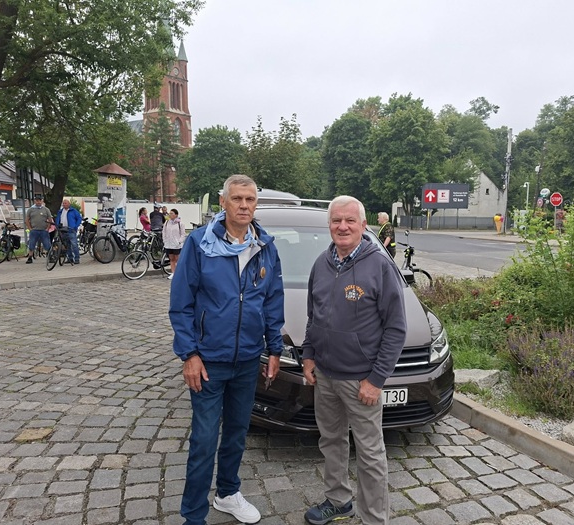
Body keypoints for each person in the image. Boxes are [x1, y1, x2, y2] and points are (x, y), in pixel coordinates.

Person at [169, 174, 285, 525]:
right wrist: (189, 354)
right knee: (204, 440)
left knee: (236, 434)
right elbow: (181, 304)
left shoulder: (264, 246)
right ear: (223, 202)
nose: (244, 205)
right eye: (237, 199)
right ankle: (193, 516)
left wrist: (275, 349)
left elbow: (272, 301)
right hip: (208, 362)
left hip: (247, 360)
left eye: (250, 199)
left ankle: (228, 493)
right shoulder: (200, 243)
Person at [302, 196, 406, 525]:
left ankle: (374, 518)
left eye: (350, 220)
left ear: (363, 225)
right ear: (329, 225)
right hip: (325, 376)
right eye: (336, 220)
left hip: (361, 381)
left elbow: (396, 329)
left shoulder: (380, 266)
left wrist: (376, 380)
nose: (343, 227)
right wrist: (308, 355)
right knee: (331, 441)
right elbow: (314, 316)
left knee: (370, 453)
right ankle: (338, 500)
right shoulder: (321, 264)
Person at [25, 196, 53, 263]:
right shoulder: (30, 210)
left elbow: (50, 219)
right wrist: (30, 228)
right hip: (34, 230)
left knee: (47, 244)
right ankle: (30, 257)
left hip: (44, 230)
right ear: (35, 201)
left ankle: (50, 257)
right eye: (37, 200)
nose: (38, 202)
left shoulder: (46, 209)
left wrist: (47, 228)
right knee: (32, 244)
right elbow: (27, 220)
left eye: (40, 200)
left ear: (42, 201)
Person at [55, 199, 82, 264]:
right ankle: (70, 258)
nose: (64, 204)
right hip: (62, 230)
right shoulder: (60, 211)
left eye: (65, 203)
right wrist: (57, 225)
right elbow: (58, 219)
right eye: (63, 203)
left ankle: (77, 258)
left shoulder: (73, 211)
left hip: (71, 230)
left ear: (69, 204)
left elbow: (79, 218)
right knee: (66, 245)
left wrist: (75, 226)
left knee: (74, 244)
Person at [162, 208, 186, 279]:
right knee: (171, 259)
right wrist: (164, 240)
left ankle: (179, 273)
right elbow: (164, 232)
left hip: (176, 245)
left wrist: (179, 241)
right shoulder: (166, 223)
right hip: (168, 244)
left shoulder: (180, 224)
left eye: (172, 213)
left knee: (177, 259)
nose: (170, 215)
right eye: (170, 213)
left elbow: (183, 234)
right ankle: (173, 273)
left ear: (176, 215)